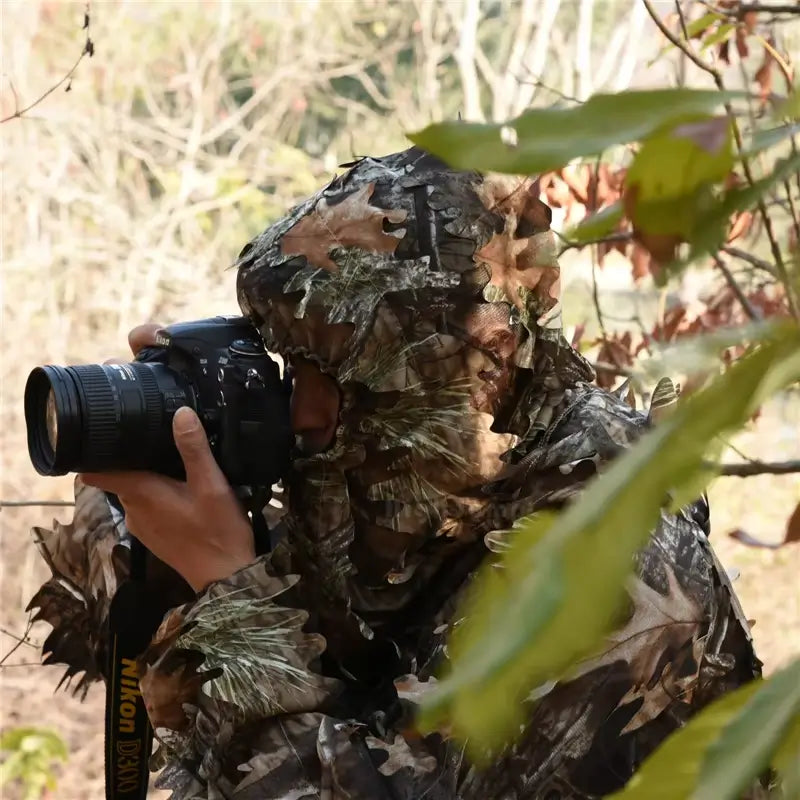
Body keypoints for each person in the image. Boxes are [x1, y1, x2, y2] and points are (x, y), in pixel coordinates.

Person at [28, 147, 759, 799]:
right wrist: (157, 542)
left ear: (461, 377)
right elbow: (285, 656)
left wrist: (232, 599)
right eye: (291, 363)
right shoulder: (415, 504)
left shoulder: (619, 584)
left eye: (340, 374)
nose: (304, 413)